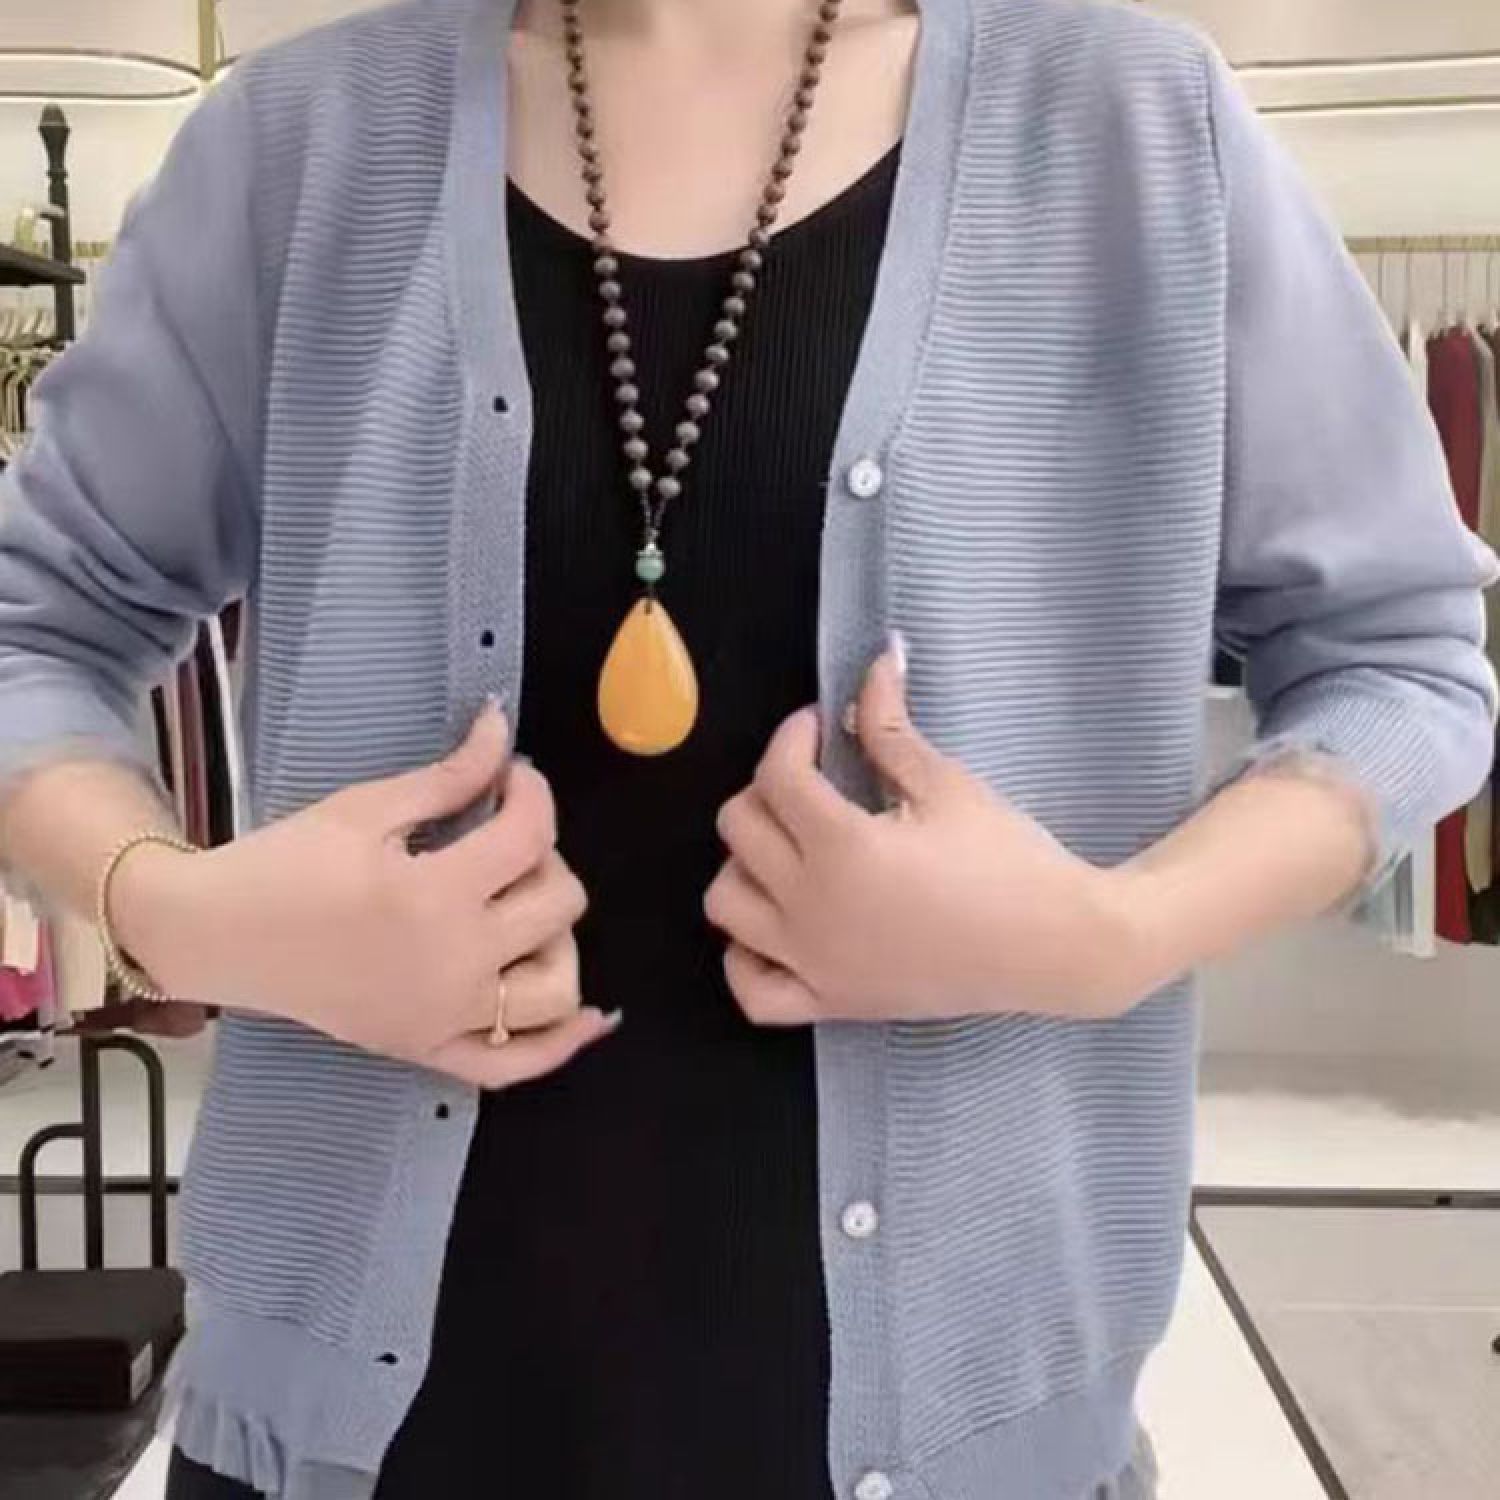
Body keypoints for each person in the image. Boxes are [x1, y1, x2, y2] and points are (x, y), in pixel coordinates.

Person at [0, 0, 1493, 1497]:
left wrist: (1112, 938)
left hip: (967, 1432)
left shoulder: (1138, 133)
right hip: (343, 1443)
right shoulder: (293, 151)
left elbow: (1402, 663)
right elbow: (31, 624)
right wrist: (183, 911)